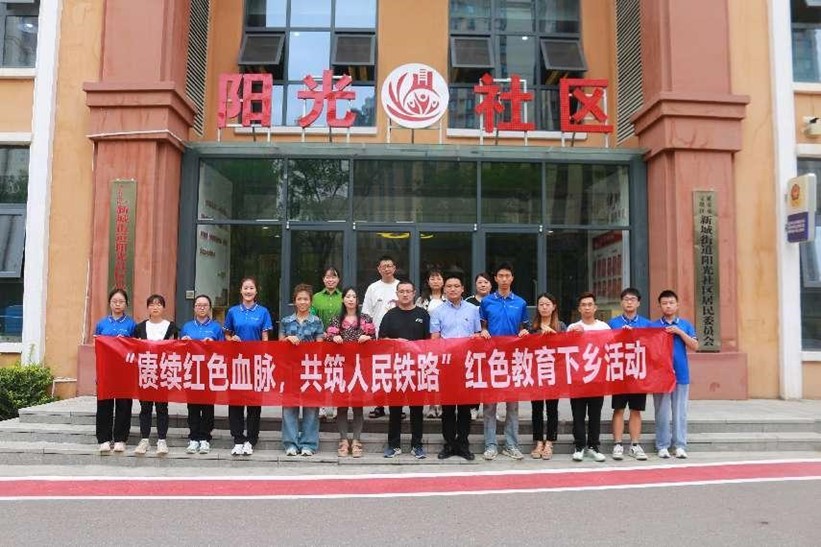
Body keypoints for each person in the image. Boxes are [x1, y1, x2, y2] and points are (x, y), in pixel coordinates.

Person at [479, 263, 529, 461]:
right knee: (490, 405)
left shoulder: (521, 303)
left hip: (513, 360)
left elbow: (524, 327)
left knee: (512, 406)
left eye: (507, 275)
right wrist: (483, 331)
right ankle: (490, 445)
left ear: (512, 278)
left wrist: (524, 332)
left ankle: (511, 445)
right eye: (501, 275)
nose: (504, 279)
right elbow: (482, 326)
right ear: (496, 279)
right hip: (491, 360)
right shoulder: (487, 302)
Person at [430, 274, 480, 461]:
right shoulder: (438, 311)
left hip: (467, 364)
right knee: (448, 407)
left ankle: (463, 444)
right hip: (447, 364)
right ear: (444, 289)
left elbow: (477, 334)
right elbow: (434, 339)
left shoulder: (473, 310)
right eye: (449, 286)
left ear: (462, 289)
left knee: (465, 408)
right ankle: (450, 444)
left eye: (456, 286)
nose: (452, 289)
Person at [223, 277, 274, 456]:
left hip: (255, 362)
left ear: (256, 291)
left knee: (254, 403)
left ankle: (251, 439)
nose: (248, 291)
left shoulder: (263, 312)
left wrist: (264, 357)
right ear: (241, 290)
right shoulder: (233, 311)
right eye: (245, 288)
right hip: (236, 363)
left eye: (251, 288)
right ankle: (238, 439)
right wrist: (232, 339)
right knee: (235, 401)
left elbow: (265, 338)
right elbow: (226, 335)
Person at [380, 280, 430, 459]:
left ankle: (417, 445)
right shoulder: (390, 315)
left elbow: (430, 341)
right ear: (397, 294)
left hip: (417, 368)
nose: (405, 294)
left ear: (414, 293)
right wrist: (397, 342)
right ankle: (393, 445)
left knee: (417, 409)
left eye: (408, 291)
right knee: (395, 409)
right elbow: (381, 340)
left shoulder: (423, 314)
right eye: (402, 291)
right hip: (396, 368)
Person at [326, 286, 375, 458]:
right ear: (343, 299)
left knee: (358, 406)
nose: (351, 299)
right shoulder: (335, 319)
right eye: (348, 296)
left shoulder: (366, 318)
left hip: (360, 368)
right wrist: (334, 338)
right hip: (341, 367)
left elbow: (375, 339)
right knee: (341, 406)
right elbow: (327, 339)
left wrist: (368, 338)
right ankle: (343, 440)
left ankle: (356, 440)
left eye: (354, 296)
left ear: (358, 300)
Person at [280, 283, 325, 457]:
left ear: (311, 301)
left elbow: (320, 347)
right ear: (295, 301)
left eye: (306, 299)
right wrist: (287, 339)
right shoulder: (286, 321)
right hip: (290, 369)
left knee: (311, 407)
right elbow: (279, 344)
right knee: (289, 407)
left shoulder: (317, 321)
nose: (303, 302)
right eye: (299, 299)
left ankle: (308, 444)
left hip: (310, 370)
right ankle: (290, 443)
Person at [652, 289, 698, 459]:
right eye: (664, 303)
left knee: (680, 411)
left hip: (681, 373)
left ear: (677, 305)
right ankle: (662, 445)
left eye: (671, 303)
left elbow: (695, 346)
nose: (668, 306)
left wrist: (679, 332)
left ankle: (679, 445)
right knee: (662, 412)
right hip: (660, 376)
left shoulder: (685, 325)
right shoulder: (653, 326)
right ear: (660, 306)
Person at [607, 287, 652, 461]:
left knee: (636, 409)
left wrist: (637, 337)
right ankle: (618, 444)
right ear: (621, 302)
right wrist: (620, 335)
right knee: (618, 408)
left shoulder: (647, 324)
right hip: (619, 371)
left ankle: (635, 444)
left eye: (632, 299)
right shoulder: (613, 323)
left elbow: (652, 347)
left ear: (638, 303)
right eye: (626, 299)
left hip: (638, 372)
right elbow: (606, 345)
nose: (629, 302)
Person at [132, 294, 180, 456]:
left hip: (163, 372)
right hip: (145, 371)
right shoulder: (139, 328)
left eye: (159, 304)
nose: (155, 307)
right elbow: (133, 348)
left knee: (161, 407)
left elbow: (176, 348)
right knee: (145, 407)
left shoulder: (171, 327)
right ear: (148, 308)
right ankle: (144, 439)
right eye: (152, 304)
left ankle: (161, 440)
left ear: (163, 307)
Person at [567, 292, 610, 463]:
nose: (587, 308)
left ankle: (593, 446)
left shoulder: (604, 327)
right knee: (577, 414)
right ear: (579, 309)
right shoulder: (572, 327)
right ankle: (579, 446)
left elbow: (609, 349)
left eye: (590, 304)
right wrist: (574, 336)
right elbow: (567, 351)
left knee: (595, 414)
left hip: (597, 378)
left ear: (595, 307)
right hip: (578, 378)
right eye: (583, 305)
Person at [179, 294, 224, 455]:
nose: (202, 307)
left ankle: (205, 437)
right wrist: (183, 342)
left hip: (209, 371)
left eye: (205, 305)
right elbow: (178, 349)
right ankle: (193, 437)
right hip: (191, 371)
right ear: (194, 308)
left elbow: (223, 350)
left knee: (207, 405)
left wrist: (213, 345)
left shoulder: (216, 327)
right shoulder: (187, 326)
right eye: (198, 305)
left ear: (209, 308)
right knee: (192, 405)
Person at [94, 288, 138, 454]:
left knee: (123, 405)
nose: (117, 304)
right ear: (109, 303)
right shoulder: (102, 324)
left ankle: (120, 439)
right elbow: (97, 346)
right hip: (106, 370)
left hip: (125, 370)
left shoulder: (131, 324)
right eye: (114, 301)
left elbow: (136, 347)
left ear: (126, 304)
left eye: (121, 302)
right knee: (104, 404)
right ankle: (104, 439)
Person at [528, 292, 566, 460]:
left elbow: (567, 347)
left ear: (554, 306)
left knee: (552, 408)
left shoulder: (561, 326)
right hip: (535, 372)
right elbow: (525, 348)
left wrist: (555, 336)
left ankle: (549, 442)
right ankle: (538, 442)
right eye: (541, 304)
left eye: (547, 304)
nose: (544, 307)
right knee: (536, 409)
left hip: (554, 373)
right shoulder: (532, 326)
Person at [362, 255, 400, 419]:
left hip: (398, 337)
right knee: (379, 371)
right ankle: (379, 405)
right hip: (377, 336)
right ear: (378, 269)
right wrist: (368, 334)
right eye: (383, 266)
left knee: (397, 371)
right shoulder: (373, 288)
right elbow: (366, 313)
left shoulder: (401, 286)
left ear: (394, 268)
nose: (387, 269)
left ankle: (396, 406)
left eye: (389, 266)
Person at [311, 266, 343, 422]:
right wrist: (320, 333)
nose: (330, 280)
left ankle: (337, 406)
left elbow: (348, 317)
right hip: (321, 340)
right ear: (323, 279)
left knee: (337, 373)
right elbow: (312, 317)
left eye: (333, 277)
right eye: (327, 277)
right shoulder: (316, 297)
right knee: (321, 373)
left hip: (339, 342)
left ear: (338, 279)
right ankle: (321, 407)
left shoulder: (343, 297)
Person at [417, 268, 445, 418]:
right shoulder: (422, 301)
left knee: (443, 374)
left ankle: (442, 405)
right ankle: (431, 406)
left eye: (438, 278)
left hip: (445, 342)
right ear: (428, 281)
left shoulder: (448, 298)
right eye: (432, 278)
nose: (435, 281)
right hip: (427, 341)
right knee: (430, 373)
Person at [466, 272, 492, 420]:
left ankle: (491, 408)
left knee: (490, 377)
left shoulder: (495, 300)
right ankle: (473, 407)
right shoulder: (468, 302)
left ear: (491, 285)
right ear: (475, 285)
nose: (483, 285)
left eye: (486, 282)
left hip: (491, 344)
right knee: (475, 376)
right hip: (473, 345)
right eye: (480, 282)